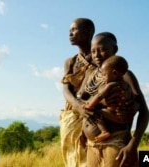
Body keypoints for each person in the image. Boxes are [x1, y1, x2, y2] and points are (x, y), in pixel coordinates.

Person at [78, 33, 149, 167]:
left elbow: (144, 112)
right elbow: (82, 102)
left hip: (115, 143)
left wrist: (132, 145)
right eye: (93, 51)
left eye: (102, 49)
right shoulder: (92, 74)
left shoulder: (124, 75)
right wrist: (83, 130)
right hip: (92, 145)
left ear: (114, 50)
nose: (96, 55)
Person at [59, 18, 95, 167]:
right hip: (71, 114)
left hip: (91, 114)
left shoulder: (100, 57)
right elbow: (66, 89)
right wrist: (77, 105)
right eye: (70, 30)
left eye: (74, 30)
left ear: (87, 32)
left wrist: (84, 108)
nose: (70, 33)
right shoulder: (70, 62)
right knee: (72, 158)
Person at [79, 55, 135, 142]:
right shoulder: (127, 86)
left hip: (113, 115)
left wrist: (90, 105)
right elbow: (132, 99)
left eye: (104, 75)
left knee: (97, 113)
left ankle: (104, 131)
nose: (103, 78)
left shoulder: (110, 86)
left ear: (115, 73)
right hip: (123, 118)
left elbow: (99, 96)